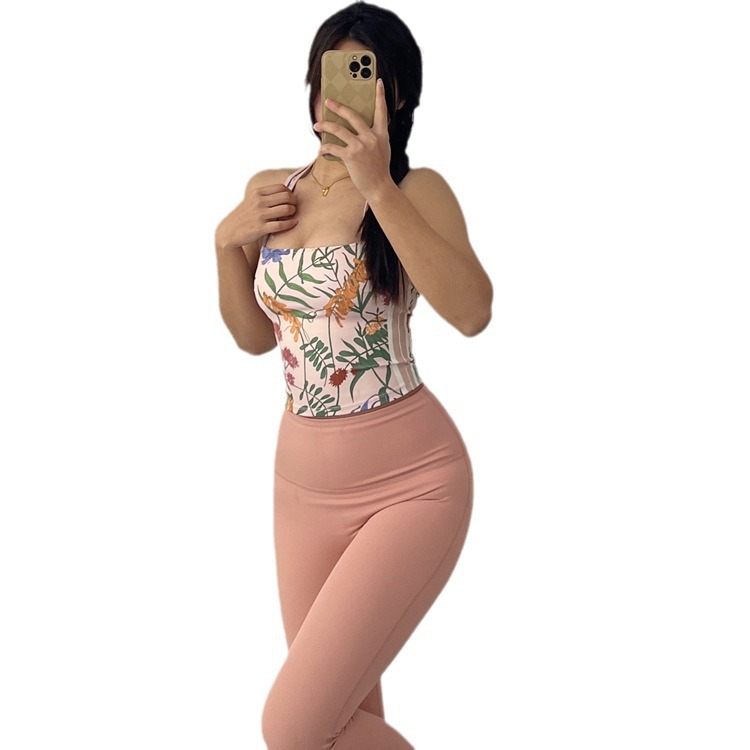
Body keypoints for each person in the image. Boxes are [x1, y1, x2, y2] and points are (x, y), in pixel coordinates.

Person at [215, 2, 492, 747]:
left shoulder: (418, 190)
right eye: (328, 73)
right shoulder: (273, 189)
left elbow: (472, 312)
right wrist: (225, 244)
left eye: (362, 74)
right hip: (300, 492)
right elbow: (254, 340)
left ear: (395, 94)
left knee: (295, 729)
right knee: (338, 726)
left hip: (413, 485)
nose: (337, 92)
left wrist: (377, 187)